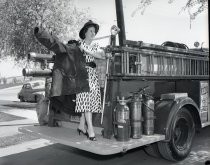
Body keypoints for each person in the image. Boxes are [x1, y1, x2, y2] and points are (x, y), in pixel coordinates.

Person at [76, 20, 108, 141]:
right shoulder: (78, 44)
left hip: (92, 74)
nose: (93, 33)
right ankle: (90, 129)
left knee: (89, 101)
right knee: (86, 101)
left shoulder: (94, 46)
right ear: (85, 32)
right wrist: (81, 48)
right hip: (82, 74)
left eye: (94, 31)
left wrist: (86, 49)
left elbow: (101, 55)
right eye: (91, 31)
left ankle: (81, 126)